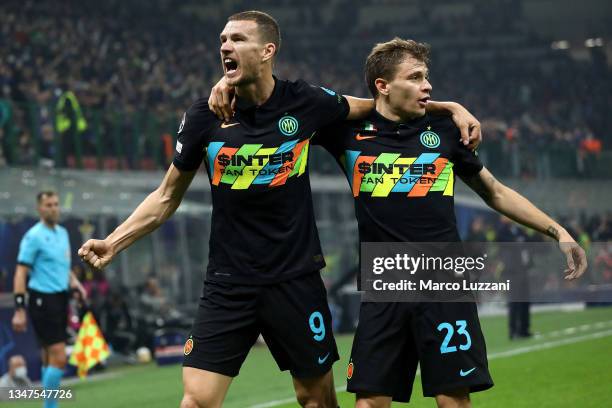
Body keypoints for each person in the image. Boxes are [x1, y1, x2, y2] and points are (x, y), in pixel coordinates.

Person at [78, 11, 481, 408]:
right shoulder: (203, 117)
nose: (225, 46)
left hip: (295, 280)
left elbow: (379, 104)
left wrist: (448, 108)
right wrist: (114, 241)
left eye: (237, 39)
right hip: (228, 283)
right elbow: (166, 196)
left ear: (268, 50)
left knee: (316, 400)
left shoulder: (306, 101)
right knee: (196, 401)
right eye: (222, 40)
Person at [314, 38, 587, 408]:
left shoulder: (444, 132)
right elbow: (287, 106)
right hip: (386, 283)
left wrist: (558, 231)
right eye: (415, 77)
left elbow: (495, 192)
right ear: (382, 85)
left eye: (427, 77)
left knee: (452, 401)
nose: (427, 86)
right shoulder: (345, 133)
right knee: (369, 403)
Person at [12, 191, 86, 408]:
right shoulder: (33, 236)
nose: (53, 208)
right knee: (60, 357)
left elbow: (63, 266)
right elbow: (20, 272)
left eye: (55, 204)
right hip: (42, 300)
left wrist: (75, 283)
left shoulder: (62, 233)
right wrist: (19, 308)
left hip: (60, 299)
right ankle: (50, 406)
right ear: (39, 209)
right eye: (48, 205)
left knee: (48, 357)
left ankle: (49, 405)